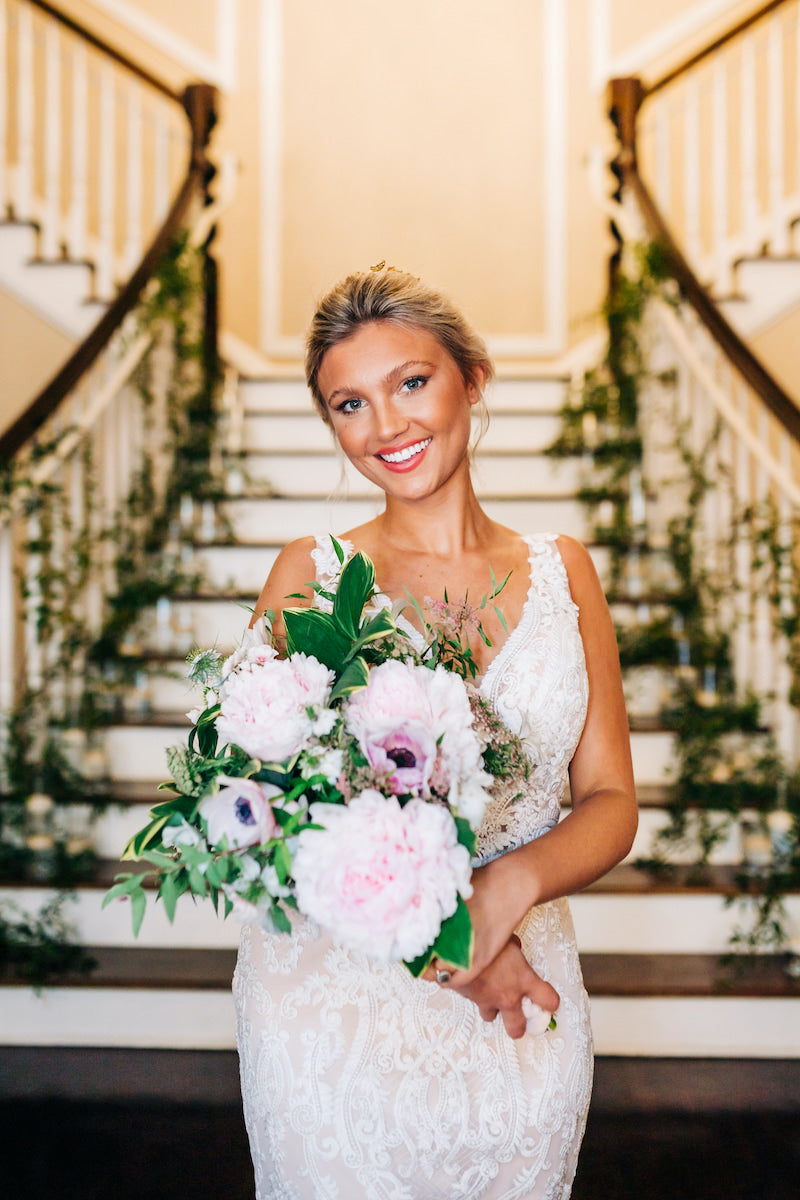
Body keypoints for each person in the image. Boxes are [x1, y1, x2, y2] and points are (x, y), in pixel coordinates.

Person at [233, 266, 638, 1199]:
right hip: (338, 1015)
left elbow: (612, 803)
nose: (387, 427)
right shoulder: (313, 574)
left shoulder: (565, 572)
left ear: (474, 378)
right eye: (350, 403)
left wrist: (499, 895)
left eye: (411, 382)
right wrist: (444, 935)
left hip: (523, 1002)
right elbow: (268, 813)